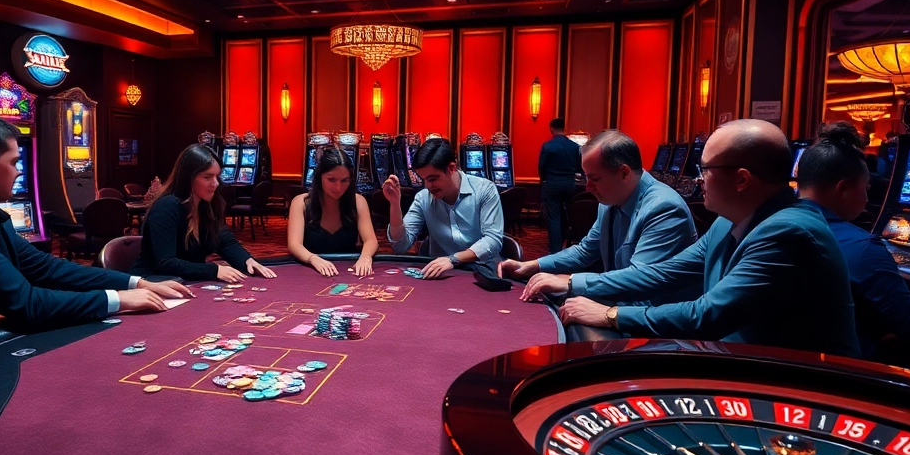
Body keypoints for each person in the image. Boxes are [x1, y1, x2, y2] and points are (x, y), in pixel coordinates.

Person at [0, 113, 189, 353]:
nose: (19, 171)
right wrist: (120, 299)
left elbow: (43, 267)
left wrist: (137, 282)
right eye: (13, 162)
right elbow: (25, 305)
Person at [549, 119, 860, 357]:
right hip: (737, 360)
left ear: (741, 179)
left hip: (796, 388)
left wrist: (609, 314)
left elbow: (707, 315)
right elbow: (665, 273)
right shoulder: (728, 222)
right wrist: (574, 283)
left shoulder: (789, 232)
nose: (698, 178)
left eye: (706, 168)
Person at [797, 122, 910, 359]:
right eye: (866, 188)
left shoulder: (768, 226)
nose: (866, 197)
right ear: (843, 188)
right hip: (847, 374)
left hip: (784, 362)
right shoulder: (862, 248)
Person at [508, 130, 697, 311]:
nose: (588, 187)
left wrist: (570, 281)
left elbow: (638, 279)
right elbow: (585, 251)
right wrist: (533, 265)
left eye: (595, 179)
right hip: (622, 303)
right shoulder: (610, 200)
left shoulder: (664, 208)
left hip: (658, 326)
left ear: (624, 173)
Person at [130, 144, 276, 283]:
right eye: (207, 177)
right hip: (152, 284)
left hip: (187, 282)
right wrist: (214, 270)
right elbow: (166, 263)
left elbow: (225, 241)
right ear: (188, 177)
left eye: (217, 176)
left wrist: (246, 260)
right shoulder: (166, 208)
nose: (216, 183)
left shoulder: (206, 205)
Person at [383, 137, 504, 279]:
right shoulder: (423, 198)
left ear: (451, 168)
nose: (427, 186)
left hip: (483, 272)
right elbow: (401, 245)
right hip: (441, 275)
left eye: (432, 179)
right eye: (423, 180)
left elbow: (493, 241)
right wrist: (395, 204)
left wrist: (452, 259)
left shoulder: (485, 190)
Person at [287, 147, 377, 277]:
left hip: (349, 272)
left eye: (344, 180)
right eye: (331, 180)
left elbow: (371, 240)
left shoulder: (358, 201)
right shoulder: (300, 203)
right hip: (310, 271)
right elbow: (294, 244)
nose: (338, 187)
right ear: (319, 177)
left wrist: (365, 257)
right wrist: (313, 259)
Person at [538, 118, 581, 253]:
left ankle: (555, 250)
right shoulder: (575, 146)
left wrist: (544, 180)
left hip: (552, 184)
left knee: (554, 218)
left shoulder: (548, 146)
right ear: (564, 128)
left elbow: (541, 167)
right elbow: (579, 167)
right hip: (570, 184)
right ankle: (567, 245)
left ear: (551, 128)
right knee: (569, 215)